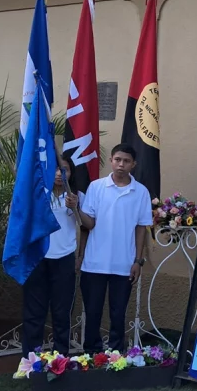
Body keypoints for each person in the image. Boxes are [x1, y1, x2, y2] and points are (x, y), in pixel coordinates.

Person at [76, 144, 152, 353]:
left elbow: (141, 228)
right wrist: (80, 255)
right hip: (94, 263)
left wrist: (137, 260)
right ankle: (91, 352)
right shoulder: (96, 187)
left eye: (126, 161)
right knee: (92, 311)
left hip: (124, 264)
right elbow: (87, 224)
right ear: (111, 160)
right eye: (117, 159)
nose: (121, 164)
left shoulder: (141, 192)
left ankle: (117, 353)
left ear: (133, 164)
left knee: (118, 313)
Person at [21, 157, 85, 357]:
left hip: (64, 258)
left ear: (71, 173)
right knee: (34, 311)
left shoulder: (77, 197)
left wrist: (76, 206)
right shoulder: (38, 194)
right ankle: (31, 358)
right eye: (56, 170)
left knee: (61, 311)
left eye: (64, 170)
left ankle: (60, 357)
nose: (59, 174)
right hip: (37, 257)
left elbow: (85, 226)